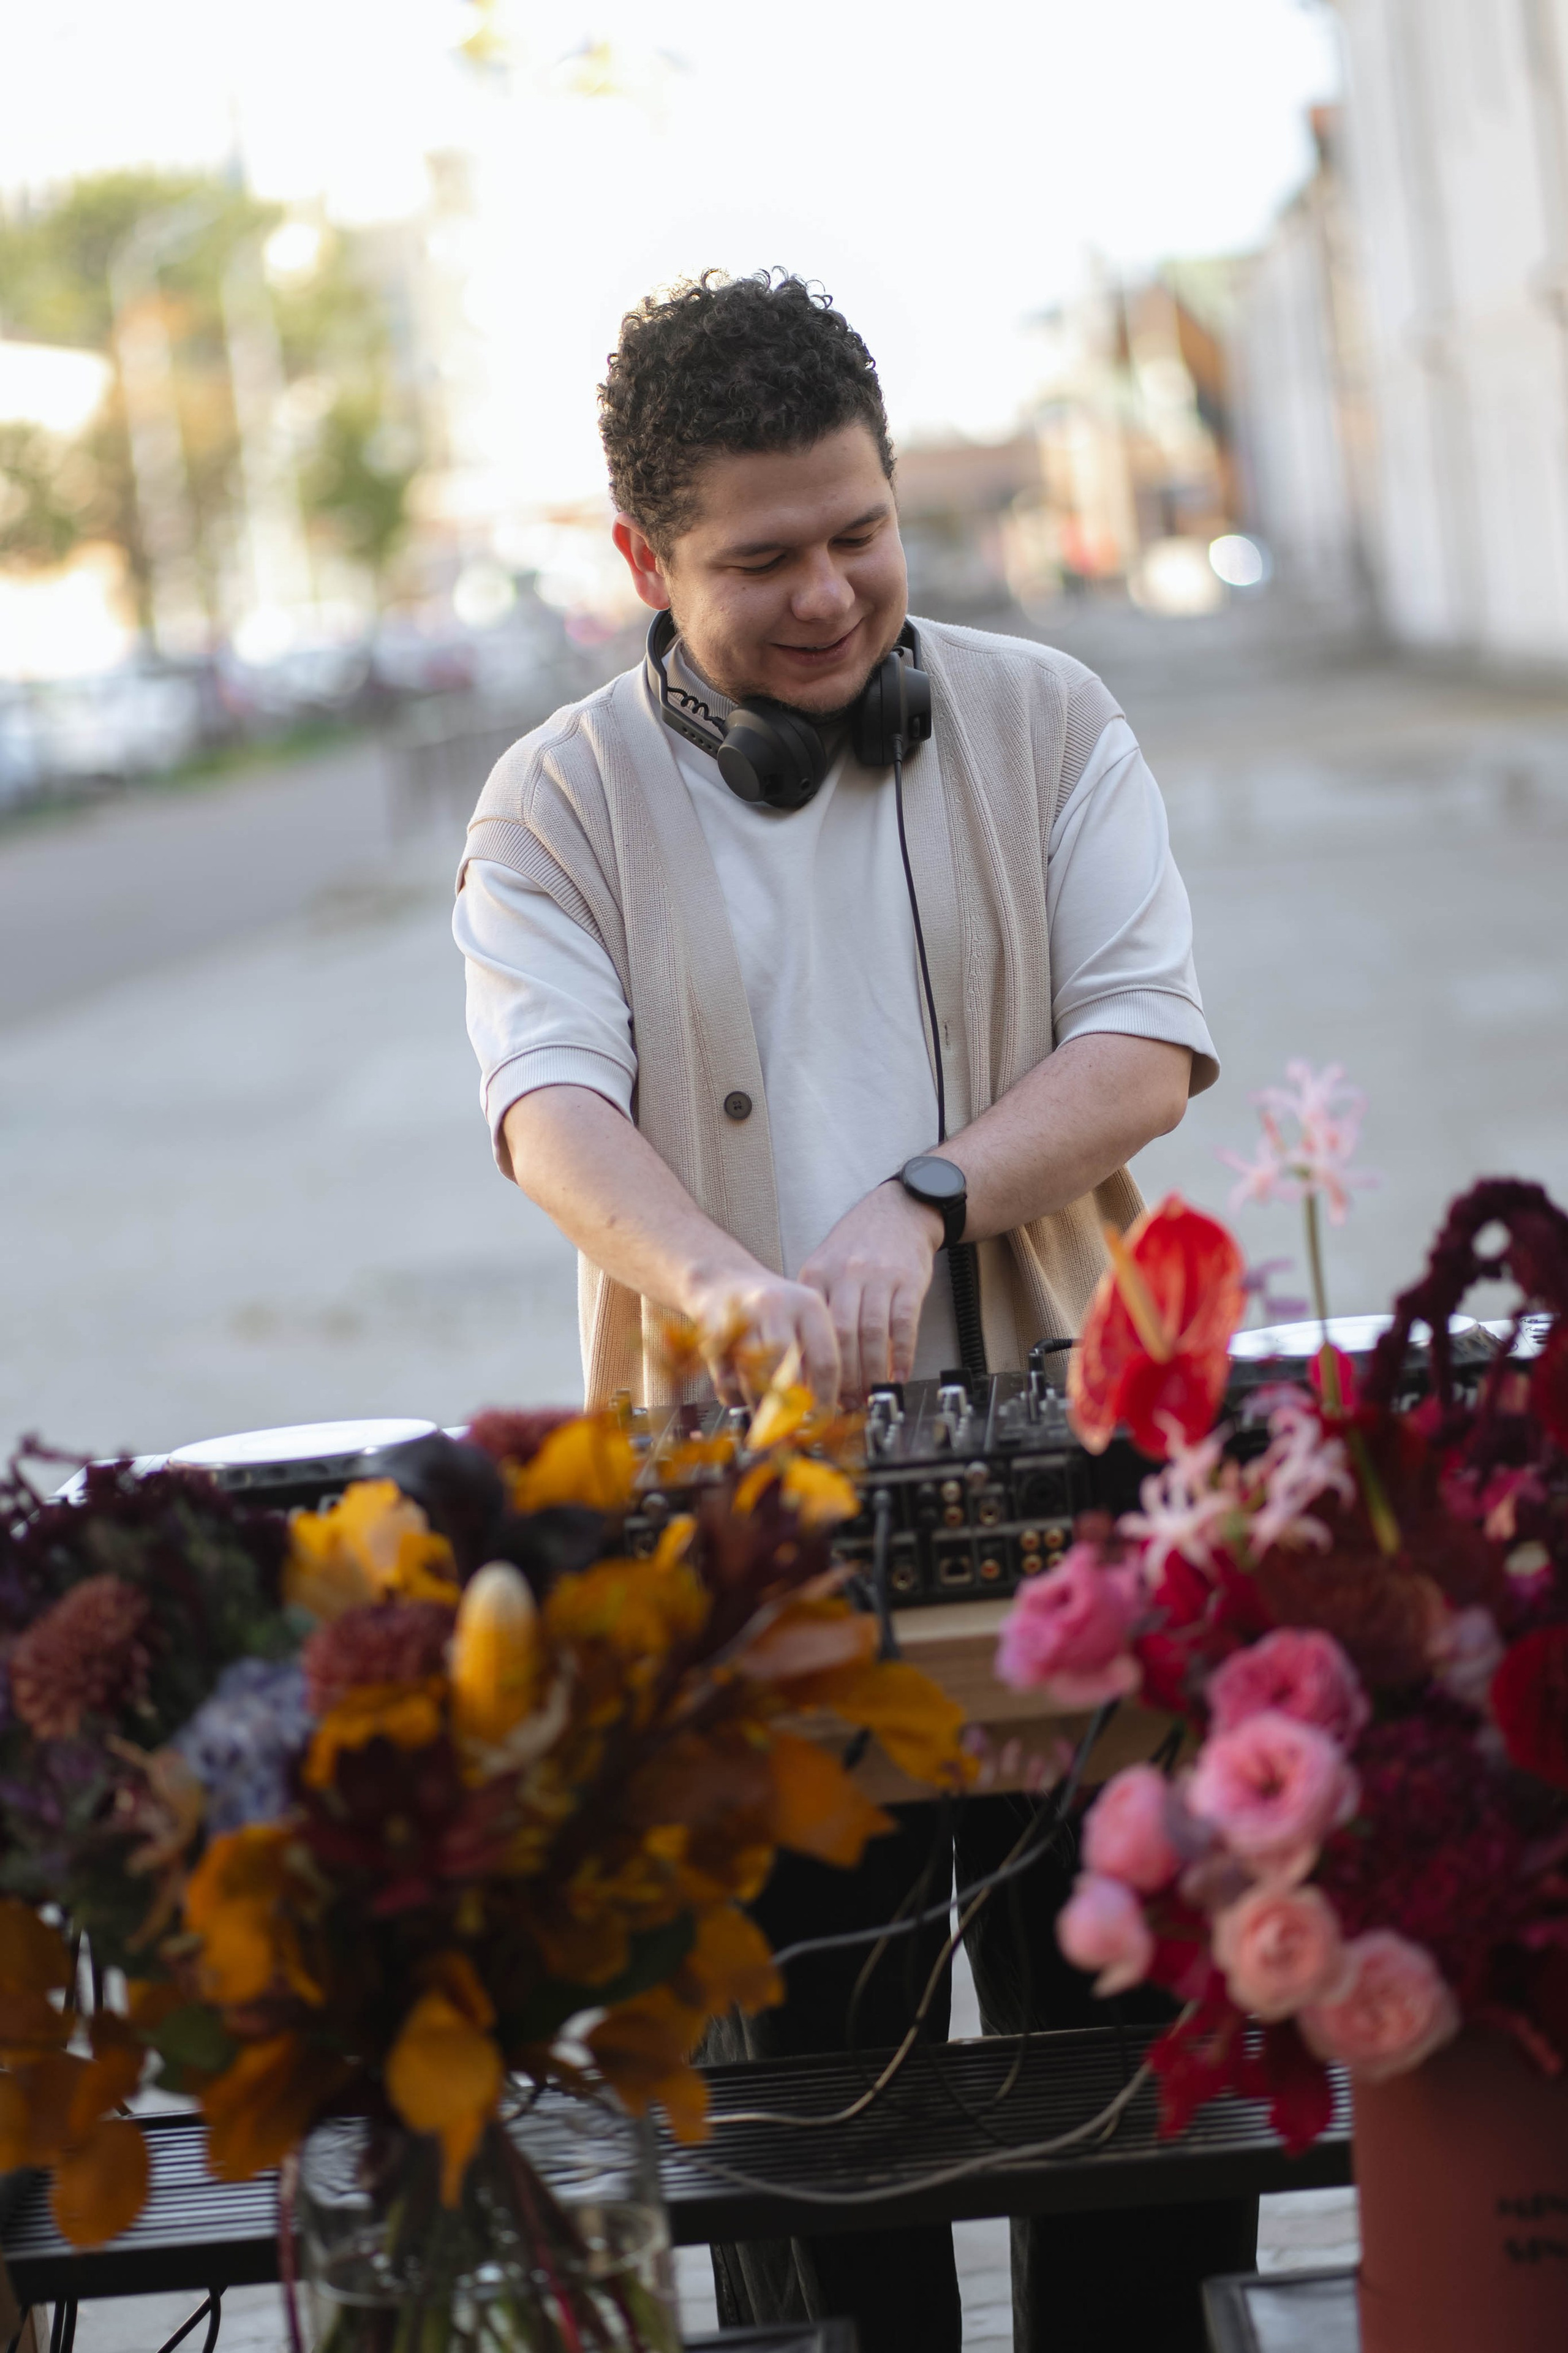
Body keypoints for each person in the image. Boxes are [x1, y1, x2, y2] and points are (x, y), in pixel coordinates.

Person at [454, 271, 1252, 2353]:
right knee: (812, 2150)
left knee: (1132, 2119)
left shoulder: (1056, 716)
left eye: (860, 533)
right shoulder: (547, 804)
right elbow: (547, 1102)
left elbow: (1148, 1036)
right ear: (639, 559)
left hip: (1077, 1522)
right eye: (761, 558)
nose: (830, 596)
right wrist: (715, 1279)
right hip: (749, 1558)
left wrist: (925, 1194)